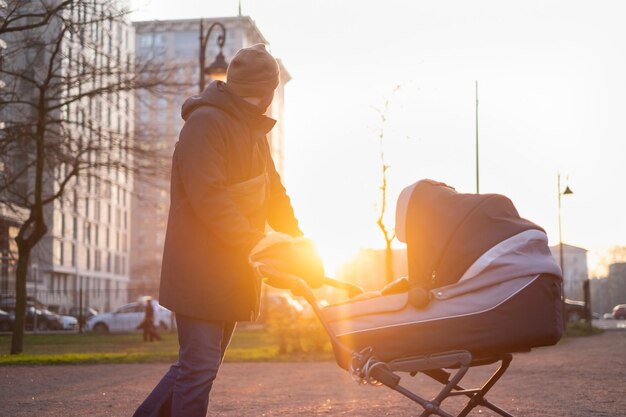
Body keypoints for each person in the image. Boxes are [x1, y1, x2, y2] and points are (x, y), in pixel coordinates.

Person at [132, 44, 324, 417]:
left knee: (199, 367)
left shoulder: (253, 130)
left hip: (232, 270)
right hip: (200, 270)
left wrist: (298, 243)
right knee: (199, 368)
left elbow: (274, 194)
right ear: (268, 91)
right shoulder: (206, 123)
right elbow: (210, 197)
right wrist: (258, 243)